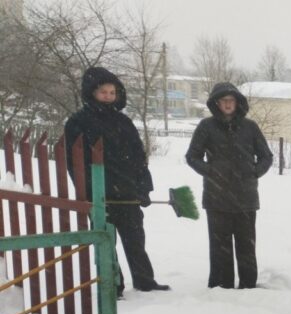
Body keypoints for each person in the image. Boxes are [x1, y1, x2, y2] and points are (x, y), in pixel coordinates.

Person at [64, 66, 168, 297]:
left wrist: (144, 188)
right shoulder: (77, 122)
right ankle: (113, 284)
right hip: (99, 194)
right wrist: (88, 191)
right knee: (106, 242)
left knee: (136, 240)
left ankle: (145, 281)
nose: (109, 97)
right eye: (103, 92)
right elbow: (74, 162)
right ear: (91, 92)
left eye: (112, 92)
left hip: (128, 193)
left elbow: (139, 156)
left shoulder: (124, 121)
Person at [186, 83, 274, 289]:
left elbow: (266, 156)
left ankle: (248, 285)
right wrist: (211, 171)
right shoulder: (206, 126)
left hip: (246, 198)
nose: (227, 104)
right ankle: (221, 286)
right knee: (220, 247)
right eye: (223, 100)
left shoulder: (250, 127)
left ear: (237, 102)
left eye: (231, 100)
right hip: (216, 198)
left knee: (246, 246)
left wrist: (254, 172)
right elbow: (192, 156)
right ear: (216, 103)